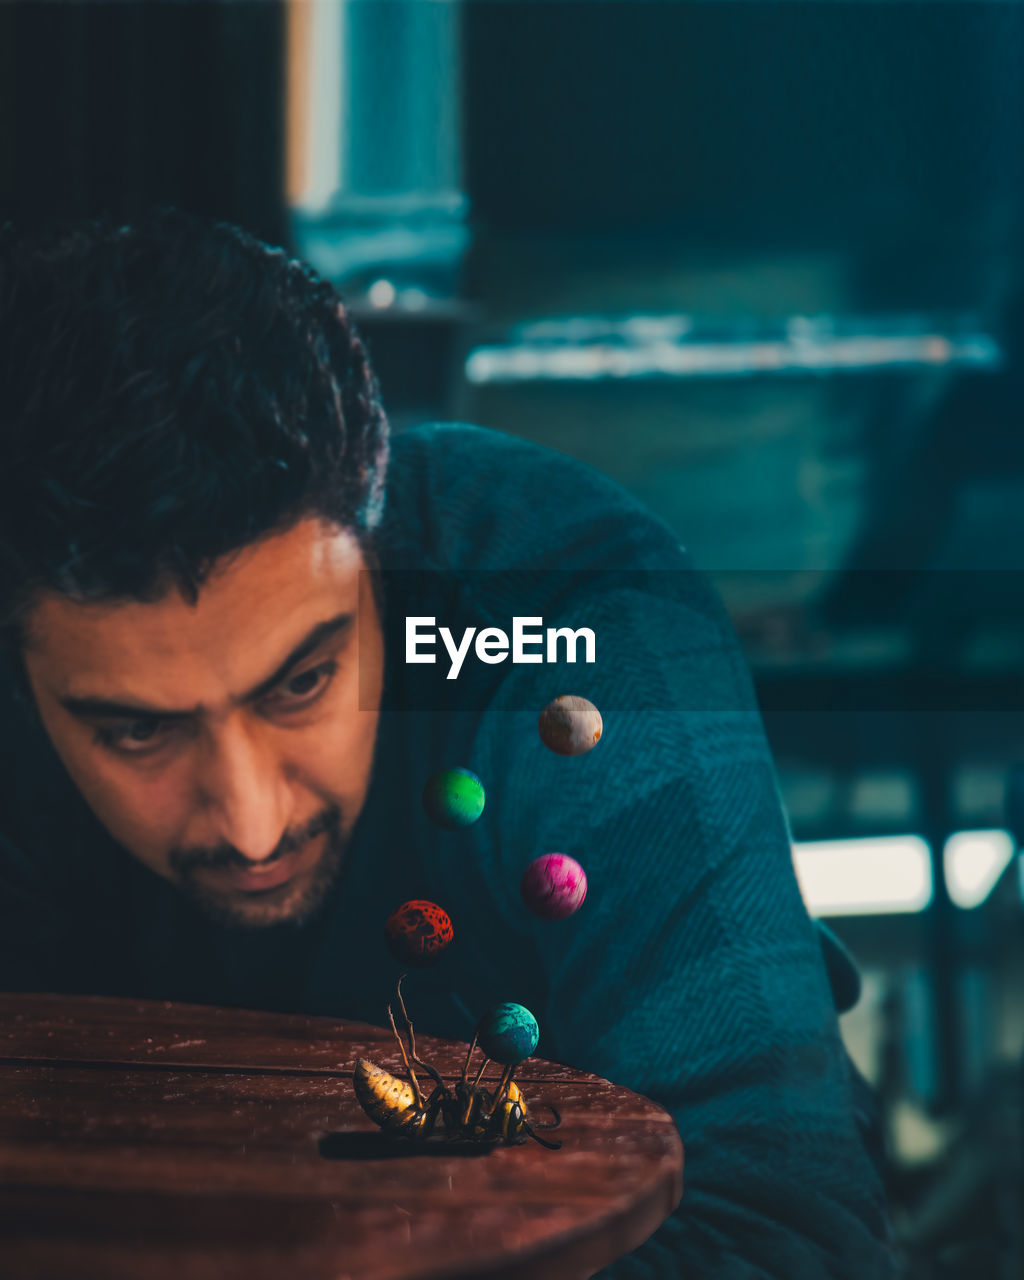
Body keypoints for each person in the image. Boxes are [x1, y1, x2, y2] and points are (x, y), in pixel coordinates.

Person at [0, 209, 895, 1277]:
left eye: (302, 681)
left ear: (380, 554)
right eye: (136, 730)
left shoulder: (572, 627)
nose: (252, 819)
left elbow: (790, 1239)